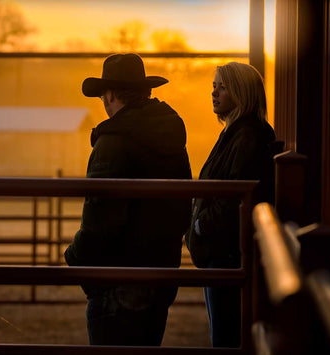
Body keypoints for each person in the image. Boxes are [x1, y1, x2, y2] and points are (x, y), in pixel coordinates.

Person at [64, 53, 192, 346]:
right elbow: (183, 205)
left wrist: (74, 255)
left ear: (109, 95)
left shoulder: (114, 141)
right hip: (160, 275)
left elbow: (100, 218)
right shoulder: (170, 137)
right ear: (145, 91)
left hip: (118, 279)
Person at [185, 62, 276, 347]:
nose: (214, 93)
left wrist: (200, 225)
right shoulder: (236, 132)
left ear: (241, 92)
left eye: (222, 87)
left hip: (226, 253)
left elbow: (236, 195)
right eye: (214, 86)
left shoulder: (247, 136)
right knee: (224, 335)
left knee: (226, 338)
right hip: (222, 252)